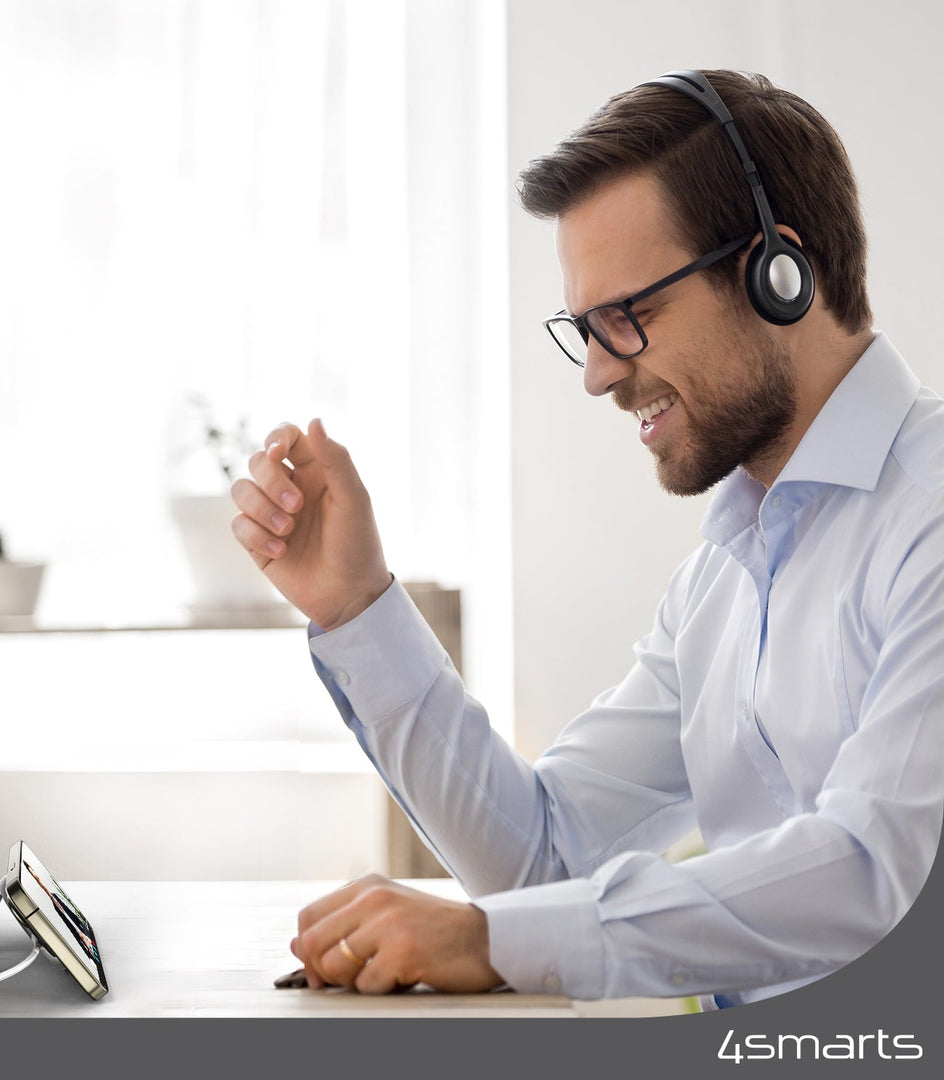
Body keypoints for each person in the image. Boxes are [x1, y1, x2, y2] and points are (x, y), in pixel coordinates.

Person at [229, 69, 943, 1009]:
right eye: (585, 329)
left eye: (628, 319)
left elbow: (882, 868)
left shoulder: (927, 520)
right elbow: (544, 857)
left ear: (779, 272)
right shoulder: (720, 583)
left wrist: (495, 941)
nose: (599, 375)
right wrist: (356, 607)